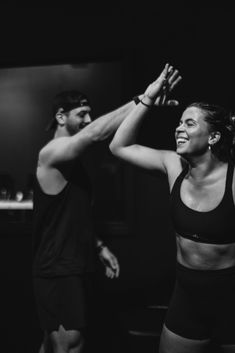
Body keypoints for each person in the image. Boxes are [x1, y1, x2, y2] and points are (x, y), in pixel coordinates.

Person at [110, 63, 235, 353]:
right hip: (187, 298)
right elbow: (119, 147)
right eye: (179, 122)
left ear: (213, 136)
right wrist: (148, 98)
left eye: (189, 123)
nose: (179, 128)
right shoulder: (172, 166)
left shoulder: (232, 181)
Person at [32, 89, 144, 353]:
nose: (89, 118)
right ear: (61, 117)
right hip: (58, 268)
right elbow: (96, 134)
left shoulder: (72, 162)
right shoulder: (51, 153)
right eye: (82, 113)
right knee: (68, 346)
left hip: (71, 264)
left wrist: (99, 246)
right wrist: (143, 100)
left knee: (54, 344)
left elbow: (72, 214)